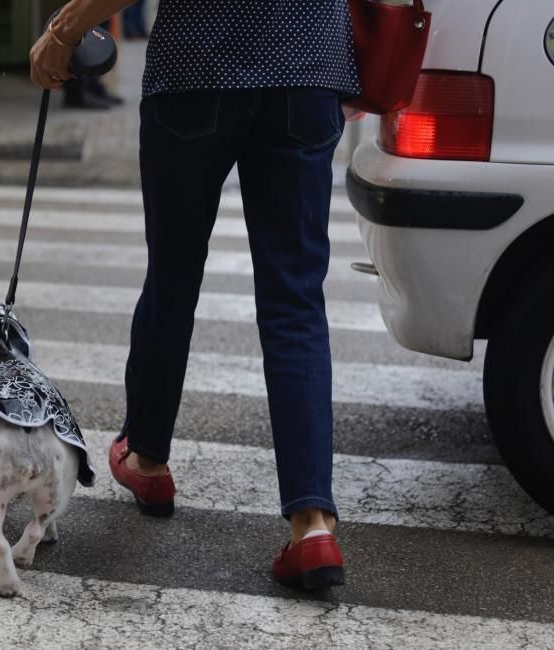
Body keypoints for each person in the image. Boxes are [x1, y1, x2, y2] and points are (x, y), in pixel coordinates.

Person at [30, 0, 360, 590]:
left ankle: (147, 459)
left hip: (199, 69)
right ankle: (312, 526)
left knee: (173, 278)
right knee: (295, 303)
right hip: (308, 68)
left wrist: (64, 30)